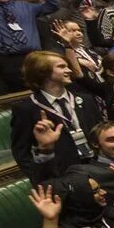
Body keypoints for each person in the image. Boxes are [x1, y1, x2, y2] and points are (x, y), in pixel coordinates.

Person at [11, 51, 106, 180]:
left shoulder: (86, 100)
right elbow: (21, 152)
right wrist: (42, 178)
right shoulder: (27, 108)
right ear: (42, 72)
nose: (69, 70)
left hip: (97, 169)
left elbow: (102, 132)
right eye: (61, 67)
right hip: (62, 176)